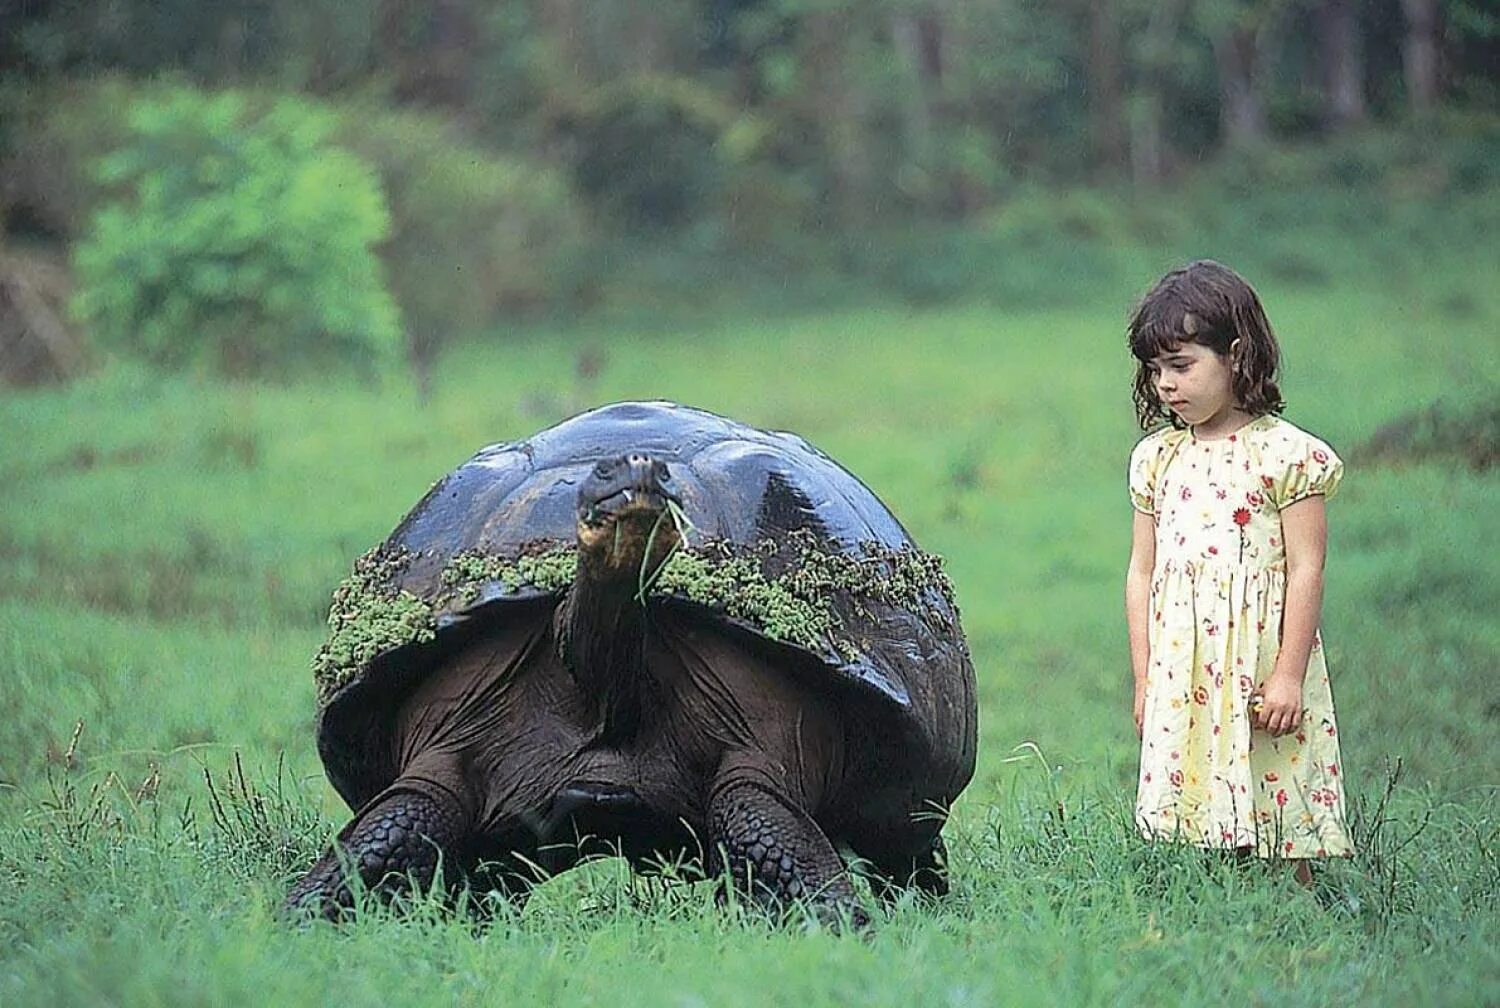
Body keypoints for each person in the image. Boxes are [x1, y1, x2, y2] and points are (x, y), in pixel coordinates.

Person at [1123, 259, 1352, 883]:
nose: (1166, 385)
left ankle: (1294, 901)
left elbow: (1307, 570)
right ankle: (1222, 896)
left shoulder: (1286, 456)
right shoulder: (1157, 459)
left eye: (1182, 365)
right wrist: (1145, 676)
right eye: (1155, 370)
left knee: (1274, 771)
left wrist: (1289, 675)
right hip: (1185, 656)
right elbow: (1142, 572)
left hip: (1260, 654)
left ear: (1236, 354)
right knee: (1196, 777)